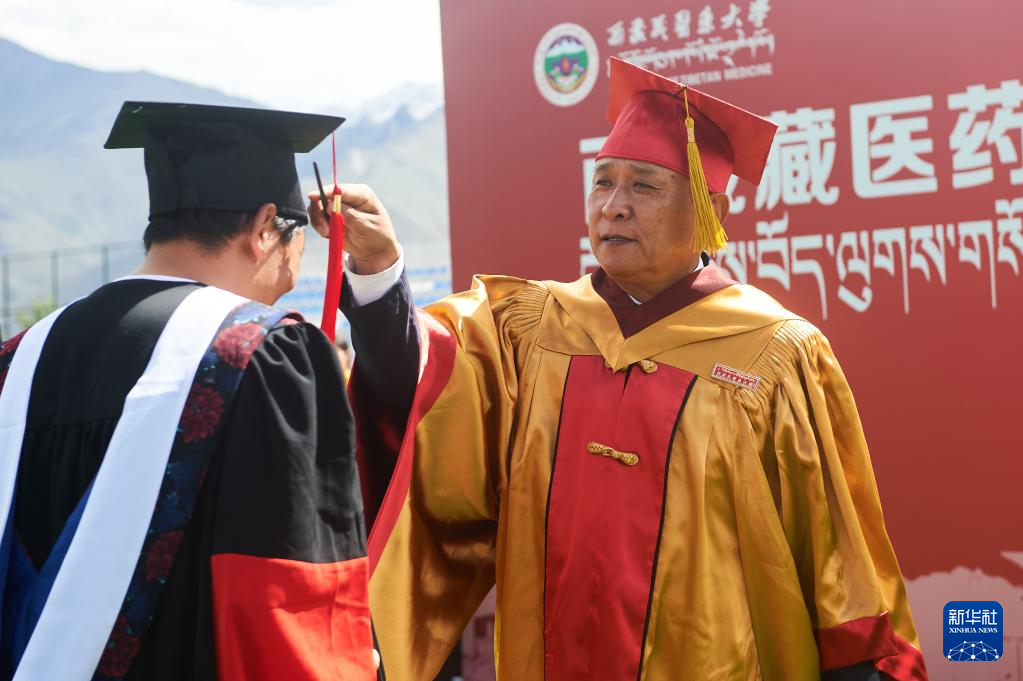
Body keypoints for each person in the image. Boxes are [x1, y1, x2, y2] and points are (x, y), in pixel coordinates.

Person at [315, 58, 928, 681]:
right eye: (602, 182)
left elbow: (839, 564)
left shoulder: (773, 356)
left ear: (710, 211)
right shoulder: (531, 331)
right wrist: (381, 271)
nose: (614, 207)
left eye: (644, 186)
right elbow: (422, 378)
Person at [0, 102, 375, 681]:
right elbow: (291, 607)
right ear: (264, 229)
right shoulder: (257, 356)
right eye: (298, 234)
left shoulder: (18, 360)